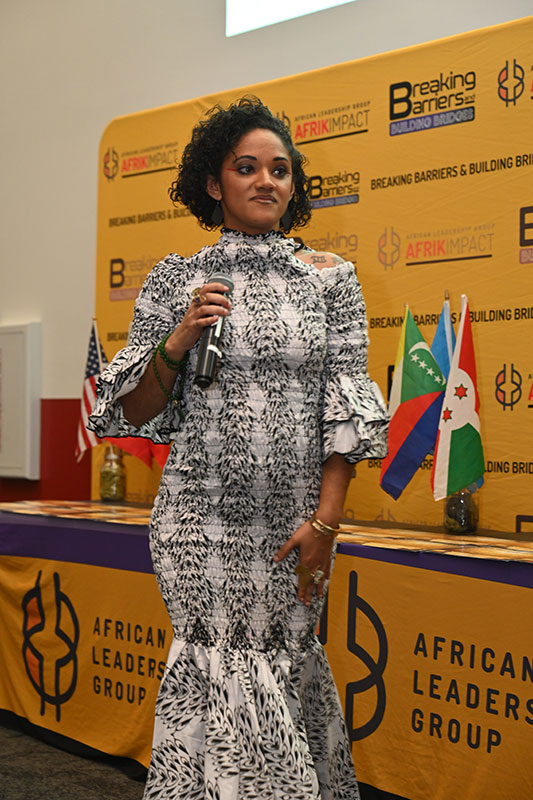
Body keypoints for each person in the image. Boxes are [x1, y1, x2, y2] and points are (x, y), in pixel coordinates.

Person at [88, 96, 388, 799]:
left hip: (293, 528)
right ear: (212, 183)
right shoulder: (177, 279)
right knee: (218, 662)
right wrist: (180, 337)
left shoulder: (331, 280)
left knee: (282, 660)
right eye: (246, 167)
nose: (265, 181)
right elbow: (134, 408)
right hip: (199, 525)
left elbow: (345, 405)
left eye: (279, 170)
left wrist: (325, 524)